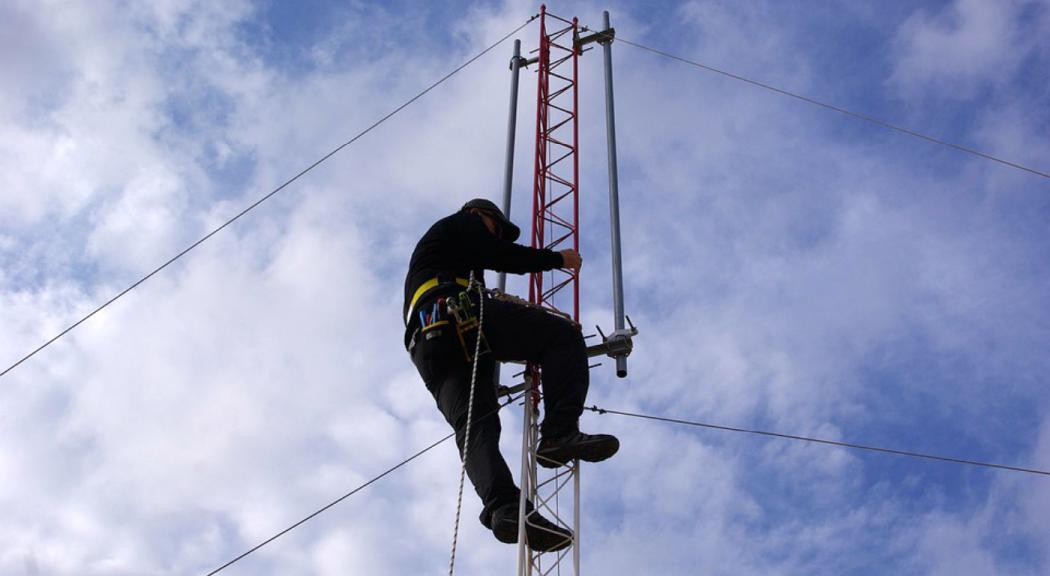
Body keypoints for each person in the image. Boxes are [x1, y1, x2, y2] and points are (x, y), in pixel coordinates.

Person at [403, 198, 619, 551]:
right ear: (478, 215)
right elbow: (499, 253)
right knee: (563, 336)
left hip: (427, 344)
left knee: (474, 425)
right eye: (497, 227)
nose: (498, 235)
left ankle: (505, 509)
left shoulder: (442, 255)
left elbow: (489, 254)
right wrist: (557, 260)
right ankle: (559, 435)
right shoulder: (461, 223)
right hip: (458, 313)